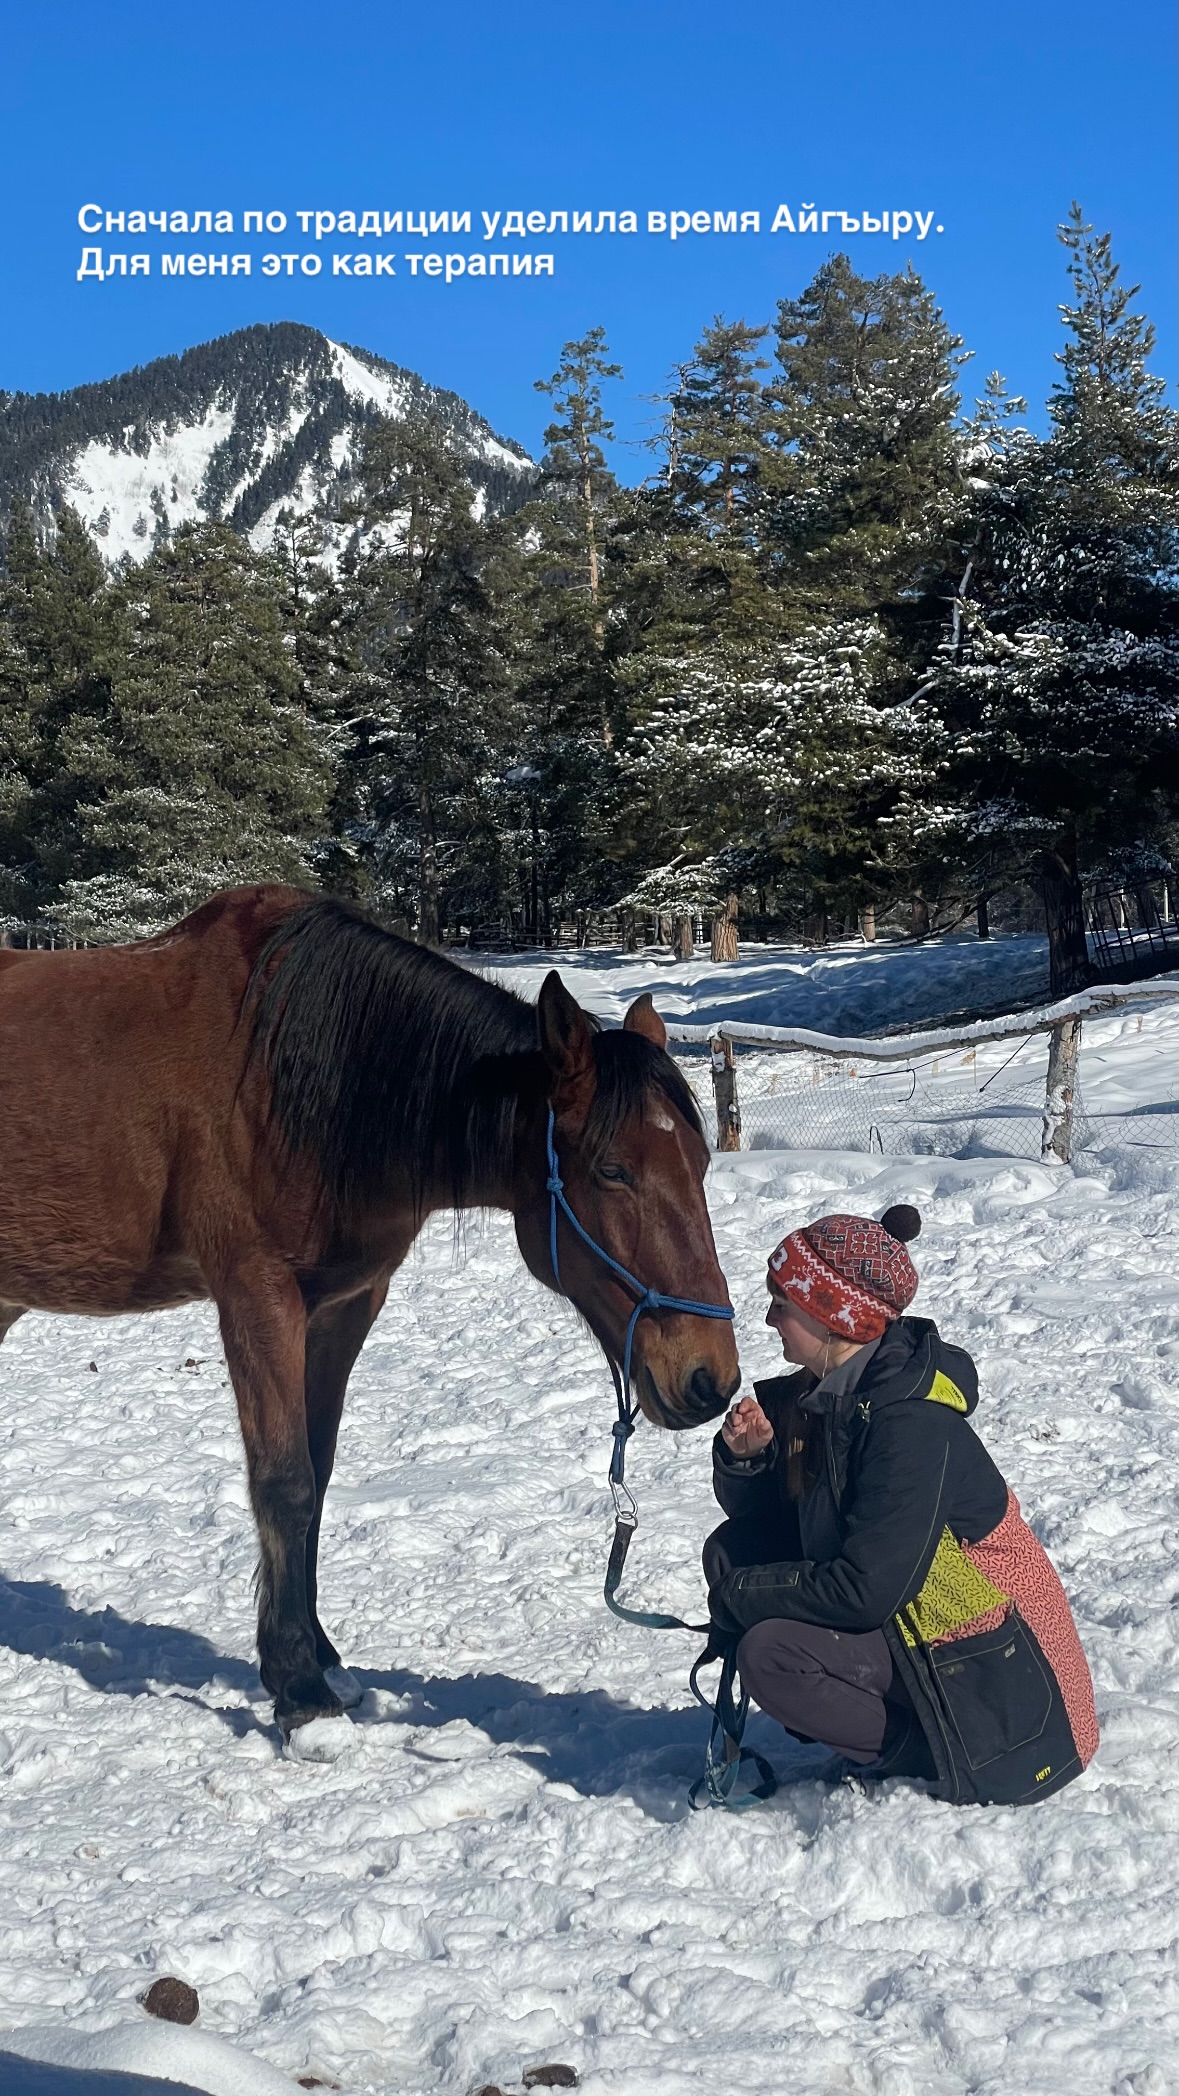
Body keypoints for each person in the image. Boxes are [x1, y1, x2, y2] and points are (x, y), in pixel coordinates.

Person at [704, 1206, 1099, 1805]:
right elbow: (794, 1531)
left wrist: (739, 1599)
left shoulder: (908, 1422)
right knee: (737, 1553)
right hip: (921, 1630)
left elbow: (867, 1589)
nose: (769, 1318)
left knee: (771, 1654)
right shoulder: (828, 1396)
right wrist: (751, 1460)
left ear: (831, 1315)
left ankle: (923, 1754)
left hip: (1009, 1693)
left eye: (782, 1303)